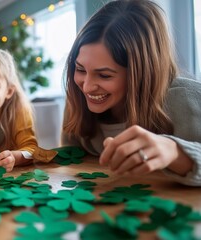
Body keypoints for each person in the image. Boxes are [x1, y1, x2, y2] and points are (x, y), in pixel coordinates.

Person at [61, 0, 201, 186]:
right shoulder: (78, 99)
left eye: (104, 75)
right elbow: (70, 163)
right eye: (80, 69)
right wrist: (30, 154)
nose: (86, 87)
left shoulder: (187, 99)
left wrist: (176, 152)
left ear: (142, 73)